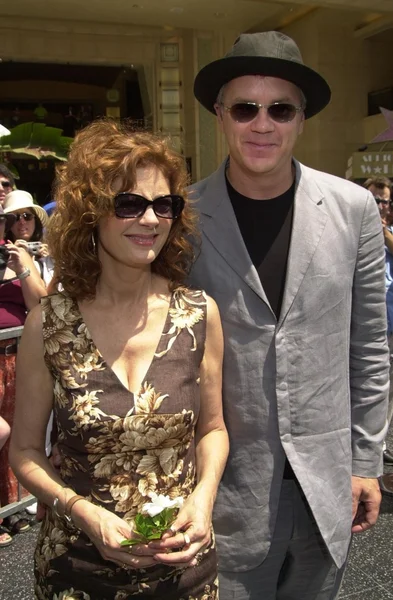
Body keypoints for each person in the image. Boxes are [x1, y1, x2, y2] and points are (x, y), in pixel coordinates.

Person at [189, 31, 389, 599]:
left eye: (280, 109)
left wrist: (365, 459)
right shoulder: (179, 218)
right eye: (245, 108)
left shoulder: (353, 209)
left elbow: (370, 346)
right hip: (222, 486)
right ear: (220, 116)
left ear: (301, 120)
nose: (262, 124)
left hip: (326, 484)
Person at [9, 120, 228, 599]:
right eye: (128, 203)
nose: (150, 219)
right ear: (91, 213)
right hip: (78, 570)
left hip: (183, 571)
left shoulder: (199, 314)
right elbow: (24, 450)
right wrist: (80, 511)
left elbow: (213, 429)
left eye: (163, 204)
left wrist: (204, 499)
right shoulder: (48, 325)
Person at [0, 205, 46, 538]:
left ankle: (14, 507)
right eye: (12, 218)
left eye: (25, 217)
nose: (20, 223)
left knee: (17, 433)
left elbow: (39, 303)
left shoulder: (21, 255)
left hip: (16, 356)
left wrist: (23, 267)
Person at [364, 177, 393, 495]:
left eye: (384, 202)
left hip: (390, 327)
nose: (380, 207)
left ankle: (378, 442)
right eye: (374, 200)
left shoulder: (388, 234)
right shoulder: (351, 229)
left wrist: (380, 228)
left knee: (385, 391)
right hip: (365, 331)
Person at [4, 190, 54, 286]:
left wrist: (48, 262)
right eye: (15, 217)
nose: (22, 222)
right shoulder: (3, 254)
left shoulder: (50, 250)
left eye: (27, 216)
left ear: (36, 220)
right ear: (7, 223)